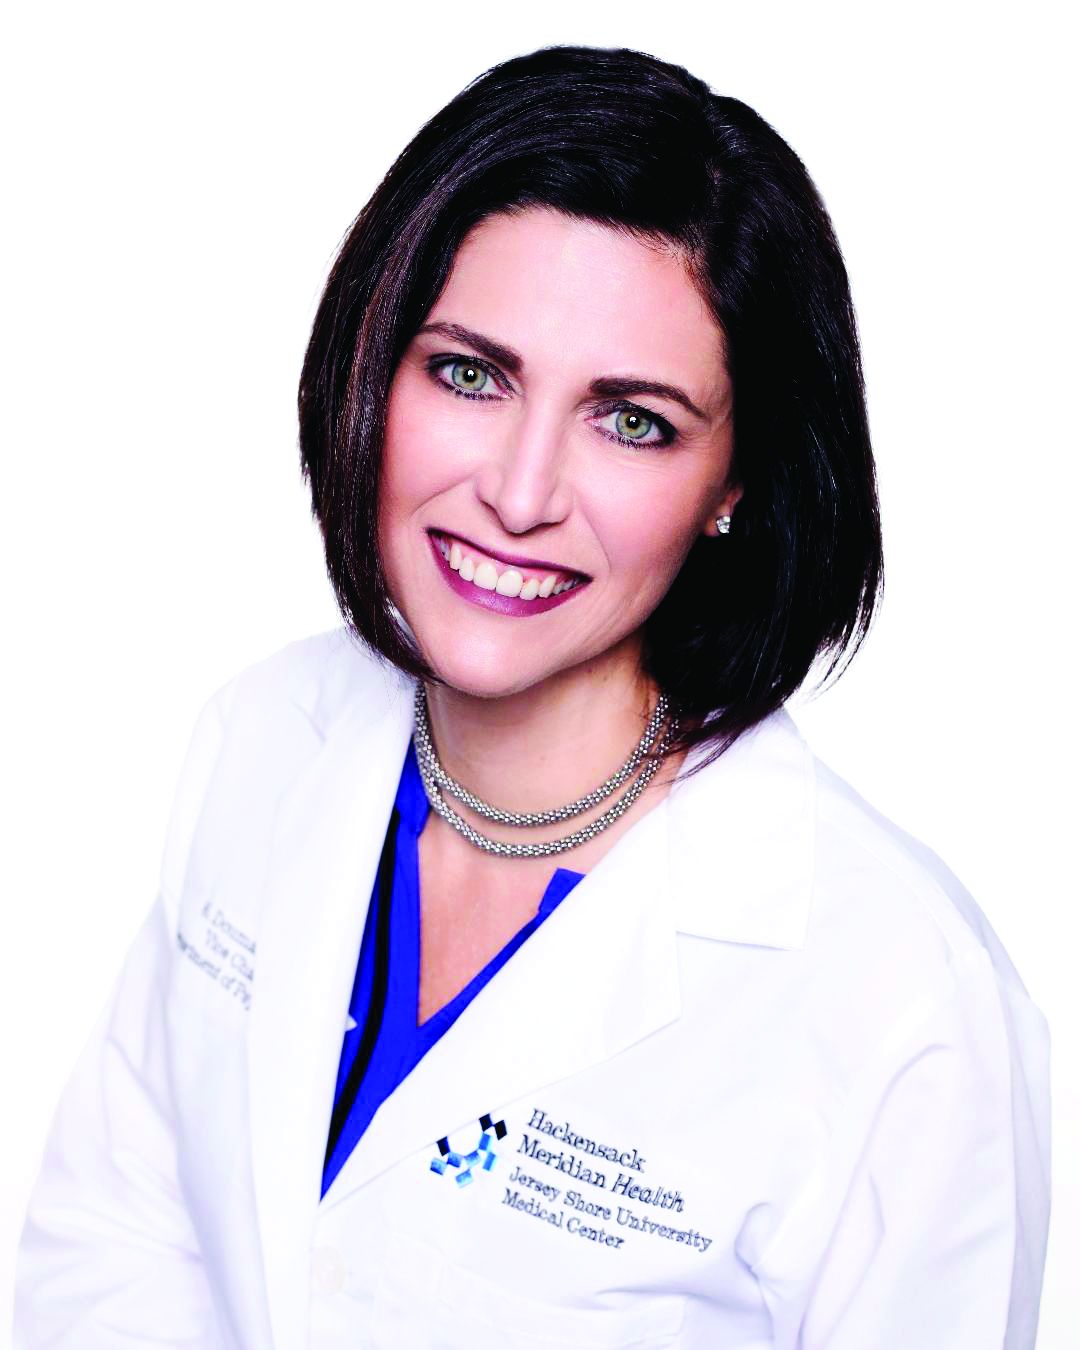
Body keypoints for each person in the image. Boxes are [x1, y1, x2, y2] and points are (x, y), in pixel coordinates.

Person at [14, 43, 1050, 1350]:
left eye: (632, 420)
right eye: (470, 374)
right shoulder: (268, 735)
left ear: (736, 483)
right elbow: (120, 1236)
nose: (517, 494)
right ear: (373, 361)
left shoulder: (901, 999)